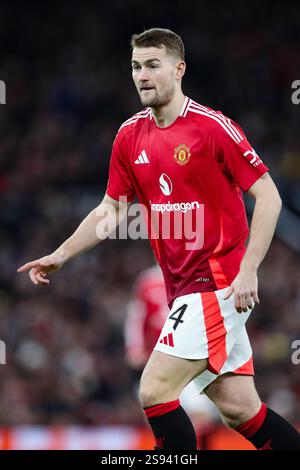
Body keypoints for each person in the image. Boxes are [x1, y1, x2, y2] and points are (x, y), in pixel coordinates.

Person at [18, 28, 300, 450]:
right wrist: (61, 254)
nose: (142, 75)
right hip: (183, 288)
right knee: (240, 408)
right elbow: (110, 210)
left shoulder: (212, 128)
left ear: (178, 69)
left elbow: (269, 196)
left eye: (152, 65)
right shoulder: (129, 136)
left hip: (216, 283)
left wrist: (248, 270)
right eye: (136, 66)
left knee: (153, 391)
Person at [124, 264, 220, 449]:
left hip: (192, 354)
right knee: (158, 412)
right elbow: (137, 316)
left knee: (200, 413)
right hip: (159, 356)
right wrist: (134, 348)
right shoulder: (148, 280)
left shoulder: (197, 273)